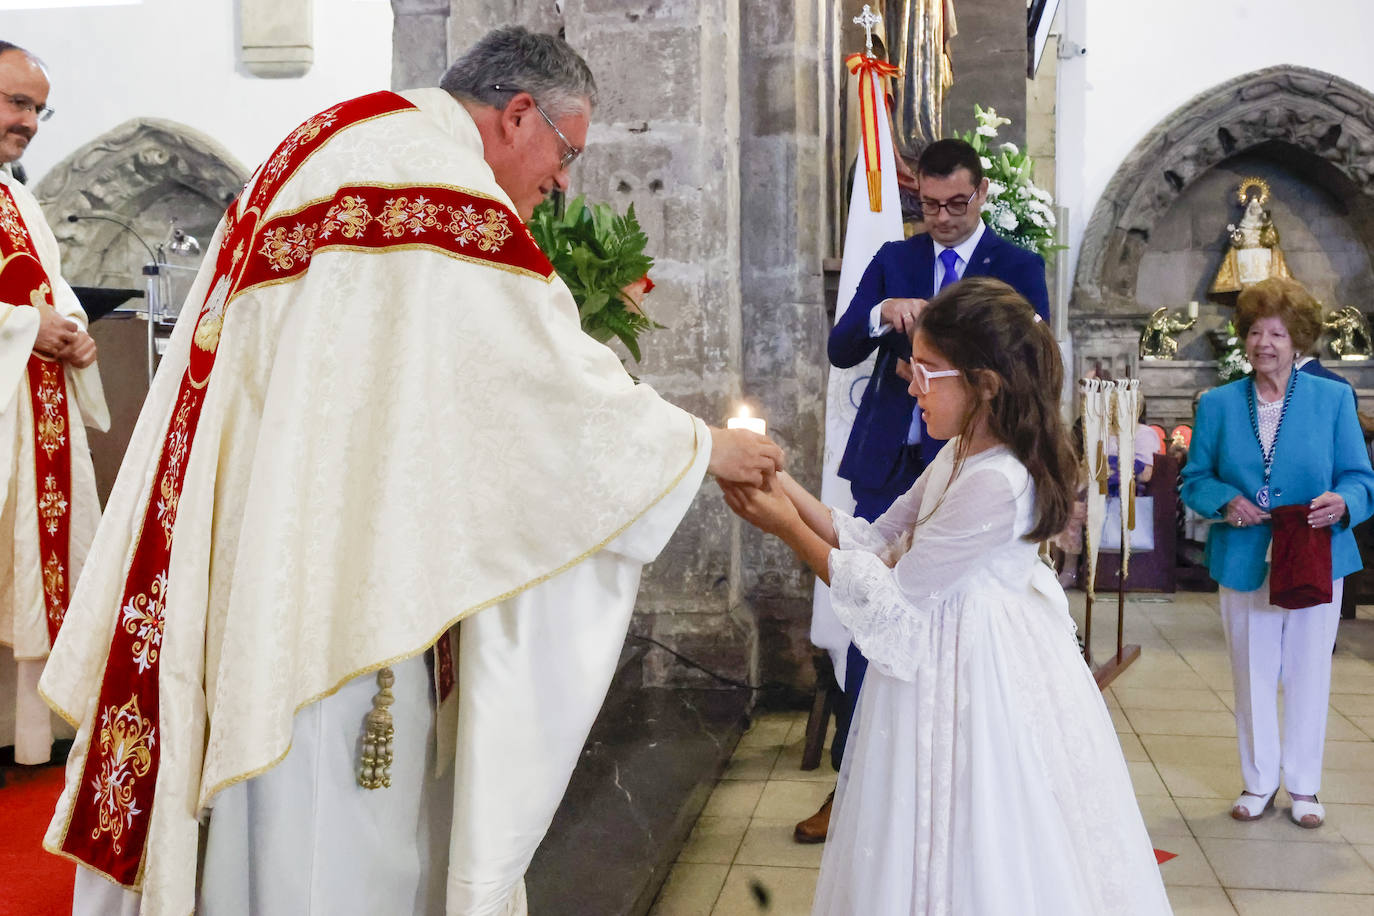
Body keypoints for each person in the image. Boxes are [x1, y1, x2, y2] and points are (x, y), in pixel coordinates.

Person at [40, 27, 782, 916]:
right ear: (517, 115)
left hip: (255, 558)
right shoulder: (439, 192)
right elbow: (540, 375)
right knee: (335, 839)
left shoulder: (334, 143)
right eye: (566, 152)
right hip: (342, 592)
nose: (564, 181)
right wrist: (703, 448)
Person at [722, 278, 1170, 914]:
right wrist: (781, 479)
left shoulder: (1000, 479)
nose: (911, 385)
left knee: (971, 825)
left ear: (984, 383)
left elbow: (894, 600)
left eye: (928, 372)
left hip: (978, 669)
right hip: (938, 644)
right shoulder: (960, 449)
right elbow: (876, 538)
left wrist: (783, 526)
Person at [805, 137, 1048, 842]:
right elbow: (842, 344)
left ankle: (935, 778)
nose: (940, 217)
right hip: (895, 461)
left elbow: (1031, 362)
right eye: (929, 205)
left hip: (974, 463)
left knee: (945, 627)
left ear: (980, 197)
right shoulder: (895, 259)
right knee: (869, 619)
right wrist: (886, 312)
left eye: (955, 204)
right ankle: (853, 781)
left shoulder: (1017, 265)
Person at [1181, 276, 1374, 829]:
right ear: (1244, 338)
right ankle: (1259, 780)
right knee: (1252, 670)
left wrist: (1344, 502)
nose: (1265, 342)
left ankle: (1305, 787)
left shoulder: (1333, 398)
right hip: (1244, 555)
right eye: (1256, 331)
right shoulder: (1217, 404)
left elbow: (1361, 478)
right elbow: (1194, 480)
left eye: (1279, 332)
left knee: (1310, 670)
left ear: (1299, 341)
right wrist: (1225, 501)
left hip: (1315, 552)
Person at [0, 41, 107, 766]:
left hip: (36, 416)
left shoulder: (17, 199)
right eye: (17, 102)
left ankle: (23, 735)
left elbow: (53, 288)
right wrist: (19, 327)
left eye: (38, 108)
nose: (31, 121)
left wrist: (73, 333)